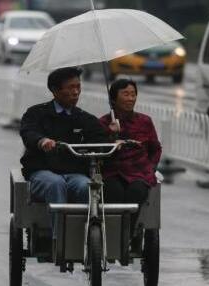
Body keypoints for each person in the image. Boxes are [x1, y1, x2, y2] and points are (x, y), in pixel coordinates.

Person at [19, 66, 108, 242]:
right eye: (70, 88)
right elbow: (28, 132)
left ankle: (83, 238)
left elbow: (100, 140)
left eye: (78, 87)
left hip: (74, 173)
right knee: (56, 184)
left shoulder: (85, 118)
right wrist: (42, 141)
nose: (76, 92)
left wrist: (113, 136)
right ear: (54, 90)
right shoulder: (36, 113)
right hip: (42, 172)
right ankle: (59, 239)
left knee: (87, 187)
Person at [99, 78, 162, 214]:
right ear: (113, 99)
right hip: (112, 172)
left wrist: (150, 168)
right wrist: (111, 134)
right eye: (125, 94)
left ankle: (128, 232)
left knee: (136, 192)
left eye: (133, 94)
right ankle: (114, 230)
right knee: (113, 192)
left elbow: (155, 149)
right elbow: (99, 150)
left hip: (139, 172)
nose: (130, 98)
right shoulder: (104, 122)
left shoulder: (145, 121)